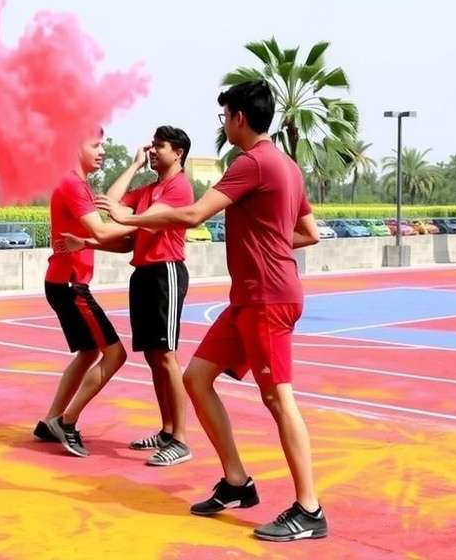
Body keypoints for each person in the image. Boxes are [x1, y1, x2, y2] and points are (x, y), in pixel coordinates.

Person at [96, 81, 327, 541]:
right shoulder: (285, 165)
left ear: (240, 117)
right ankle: (237, 481)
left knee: (279, 399)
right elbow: (309, 232)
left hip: (267, 298)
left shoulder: (253, 162)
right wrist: (270, 243)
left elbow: (191, 215)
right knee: (196, 377)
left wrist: (129, 218)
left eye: (225, 116)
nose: (223, 124)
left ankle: (309, 509)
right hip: (249, 298)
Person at [34, 128, 137, 458]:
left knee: (89, 353)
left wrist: (134, 166)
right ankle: (67, 421)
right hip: (70, 284)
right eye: (96, 143)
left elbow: (105, 217)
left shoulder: (76, 183)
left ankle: (50, 420)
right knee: (115, 354)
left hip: (63, 281)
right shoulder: (72, 184)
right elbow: (104, 229)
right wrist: (152, 221)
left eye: (104, 142)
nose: (102, 149)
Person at [98, 126, 194, 466]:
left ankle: (181, 439)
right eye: (151, 146)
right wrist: (134, 165)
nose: (153, 151)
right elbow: (111, 203)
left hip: (165, 272)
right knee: (153, 358)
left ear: (178, 152)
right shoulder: (150, 188)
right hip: (143, 274)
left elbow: (149, 223)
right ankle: (167, 431)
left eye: (160, 146)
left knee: (166, 355)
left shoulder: (179, 188)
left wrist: (125, 219)